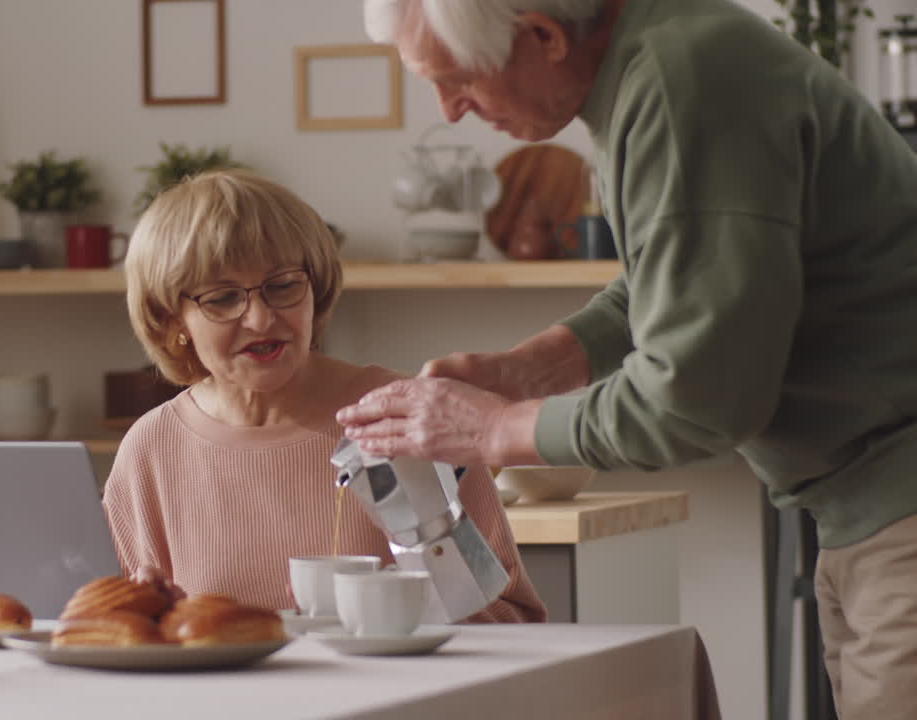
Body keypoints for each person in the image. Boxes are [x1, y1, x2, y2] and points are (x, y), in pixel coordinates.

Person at [338, 0, 917, 716]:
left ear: (542, 35)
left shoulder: (679, 84)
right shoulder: (664, 56)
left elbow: (697, 402)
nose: (449, 112)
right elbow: (686, 274)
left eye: (457, 80)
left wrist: (495, 429)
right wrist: (530, 368)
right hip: (864, 510)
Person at [104, 169, 545, 623]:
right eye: (222, 298)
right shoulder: (151, 450)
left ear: (316, 289)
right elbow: (108, 633)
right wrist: (158, 619)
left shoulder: (409, 419)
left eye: (283, 286)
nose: (260, 319)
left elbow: (513, 621)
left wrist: (418, 587)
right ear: (171, 320)